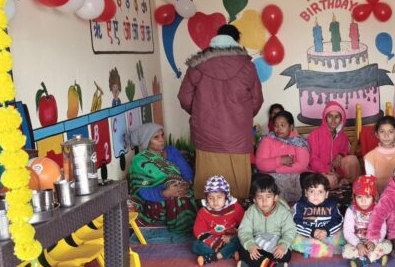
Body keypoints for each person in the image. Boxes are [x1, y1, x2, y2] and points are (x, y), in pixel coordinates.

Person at [178, 24, 263, 202]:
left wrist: (200, 114)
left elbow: (184, 98)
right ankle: (237, 218)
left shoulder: (197, 66)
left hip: (206, 133)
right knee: (237, 182)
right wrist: (242, 118)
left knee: (207, 180)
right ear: (235, 42)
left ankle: (208, 219)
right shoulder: (247, 66)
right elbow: (257, 100)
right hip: (238, 135)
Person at [128, 123, 196, 235]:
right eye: (156, 137)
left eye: (162, 135)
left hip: (180, 190)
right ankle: (183, 229)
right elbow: (141, 191)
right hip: (155, 199)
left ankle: (193, 225)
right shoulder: (139, 161)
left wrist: (187, 184)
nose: (162, 140)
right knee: (174, 192)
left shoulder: (171, 151)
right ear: (147, 141)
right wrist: (165, 193)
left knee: (180, 190)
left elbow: (187, 172)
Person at [237, 174, 297, 267]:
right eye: (260, 198)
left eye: (268, 197)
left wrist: (283, 245)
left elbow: (290, 231)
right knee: (242, 250)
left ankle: (252, 264)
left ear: (275, 198)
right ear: (254, 200)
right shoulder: (251, 211)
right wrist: (250, 245)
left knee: (286, 255)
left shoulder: (283, 212)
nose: (264, 201)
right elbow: (244, 231)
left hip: (275, 246)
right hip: (257, 246)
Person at [255, 110, 309, 202]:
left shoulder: (299, 141)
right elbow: (260, 164)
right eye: (276, 125)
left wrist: (276, 169)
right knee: (259, 179)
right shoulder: (267, 140)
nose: (278, 128)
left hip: (294, 178)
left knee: (308, 178)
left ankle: (300, 207)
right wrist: (280, 160)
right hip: (270, 178)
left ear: (291, 127)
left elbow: (302, 165)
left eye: (283, 125)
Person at [342, 175, 392, 267]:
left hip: (374, 242)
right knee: (345, 251)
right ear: (354, 197)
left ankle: (362, 261)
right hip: (356, 242)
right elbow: (348, 232)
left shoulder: (378, 209)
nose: (363, 201)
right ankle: (376, 257)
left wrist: (373, 242)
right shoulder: (351, 210)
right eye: (359, 197)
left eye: (367, 197)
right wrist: (358, 244)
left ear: (373, 197)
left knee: (388, 246)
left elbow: (382, 229)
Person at [306, 101, 361, 188]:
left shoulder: (343, 136)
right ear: (325, 117)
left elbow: (345, 150)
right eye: (330, 116)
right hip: (320, 171)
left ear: (341, 118)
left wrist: (341, 154)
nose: (333, 120)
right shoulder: (315, 135)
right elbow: (313, 159)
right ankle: (337, 184)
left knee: (352, 159)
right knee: (330, 181)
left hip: (337, 171)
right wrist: (327, 169)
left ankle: (354, 187)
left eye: (337, 117)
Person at [192, 176, 244, 266]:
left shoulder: (235, 207)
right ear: (206, 198)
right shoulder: (203, 212)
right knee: (196, 245)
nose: (215, 202)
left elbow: (244, 225)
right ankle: (229, 253)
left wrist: (231, 237)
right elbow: (198, 230)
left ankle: (214, 257)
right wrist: (215, 242)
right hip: (212, 240)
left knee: (239, 240)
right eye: (211, 198)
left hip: (230, 238)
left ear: (226, 196)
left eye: (219, 197)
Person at [291, 173, 344, 258]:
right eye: (312, 191)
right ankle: (323, 248)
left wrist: (326, 231)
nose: (316, 195)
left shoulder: (331, 205)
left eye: (320, 192)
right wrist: (312, 232)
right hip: (307, 235)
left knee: (343, 233)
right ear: (306, 193)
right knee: (292, 237)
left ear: (326, 194)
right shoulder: (300, 205)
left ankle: (319, 247)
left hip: (326, 234)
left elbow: (338, 220)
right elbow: (295, 223)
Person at [363, 116, 395, 195]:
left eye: (391, 132)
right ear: (377, 134)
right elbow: (370, 182)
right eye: (382, 131)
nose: (386, 135)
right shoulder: (370, 157)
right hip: (378, 198)